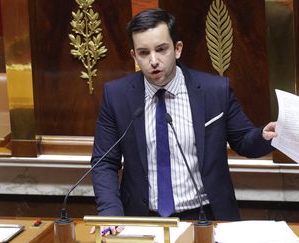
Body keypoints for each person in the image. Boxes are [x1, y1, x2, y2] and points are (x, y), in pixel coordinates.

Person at [90, 8, 277, 235]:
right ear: (134, 56)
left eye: (161, 49)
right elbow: (104, 161)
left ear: (177, 49)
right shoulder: (117, 96)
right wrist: (110, 211)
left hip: (206, 217)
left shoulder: (214, 91)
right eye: (144, 53)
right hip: (142, 219)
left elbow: (243, 141)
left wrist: (264, 136)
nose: (154, 61)